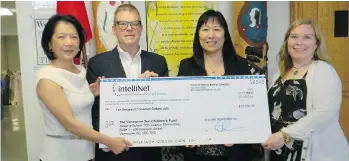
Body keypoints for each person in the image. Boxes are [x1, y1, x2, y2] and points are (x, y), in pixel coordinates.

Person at [36, 14, 132, 161]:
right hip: (60, 156)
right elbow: (70, 124)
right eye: (61, 37)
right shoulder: (47, 78)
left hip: (86, 154)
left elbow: (74, 102)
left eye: (74, 37)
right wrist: (109, 141)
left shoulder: (79, 70)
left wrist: (91, 93)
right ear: (49, 43)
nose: (69, 42)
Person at [86, 3, 168, 161]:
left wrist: (157, 89)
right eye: (123, 24)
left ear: (141, 28)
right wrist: (106, 140)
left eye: (134, 23)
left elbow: (166, 108)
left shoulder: (158, 62)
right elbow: (93, 112)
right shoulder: (98, 63)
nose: (129, 28)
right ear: (114, 29)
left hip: (149, 151)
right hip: (113, 151)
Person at [262, 19, 349, 161]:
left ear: (317, 44)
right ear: (287, 42)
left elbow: (324, 113)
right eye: (294, 37)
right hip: (279, 150)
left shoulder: (324, 70)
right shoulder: (281, 72)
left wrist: (285, 135)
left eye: (307, 37)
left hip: (313, 152)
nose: (299, 42)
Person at [177, 9, 257, 161]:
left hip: (234, 153)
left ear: (225, 35)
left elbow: (250, 108)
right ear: (198, 34)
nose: (211, 35)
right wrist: (185, 133)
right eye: (205, 29)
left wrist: (239, 133)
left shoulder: (241, 66)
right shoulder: (187, 66)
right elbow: (180, 108)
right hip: (197, 153)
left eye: (217, 29)